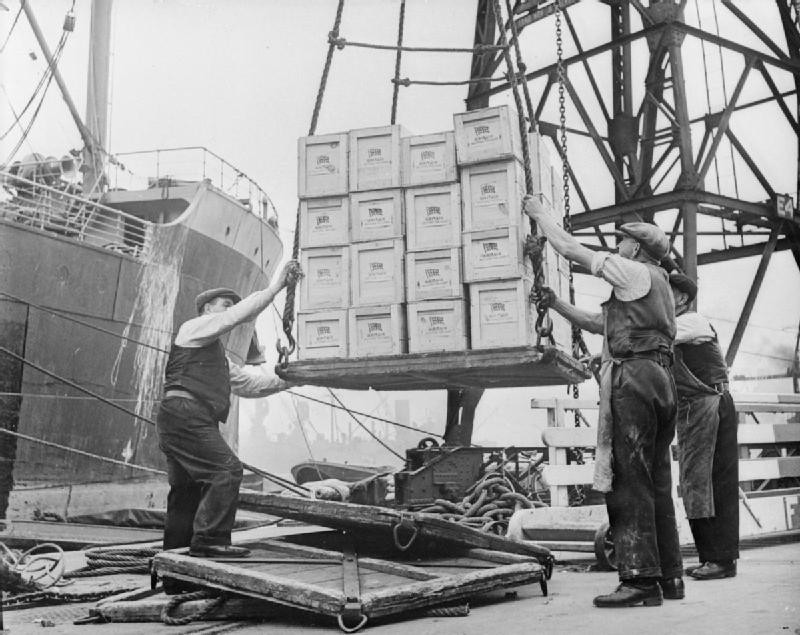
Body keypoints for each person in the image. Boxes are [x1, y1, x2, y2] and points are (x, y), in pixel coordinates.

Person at [523, 194, 683, 608]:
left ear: (637, 249)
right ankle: (669, 576)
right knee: (657, 481)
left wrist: (540, 216)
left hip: (635, 378)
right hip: (661, 379)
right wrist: (556, 303)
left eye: (623, 242)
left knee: (628, 481)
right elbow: (600, 324)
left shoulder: (631, 271)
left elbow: (572, 250)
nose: (618, 247)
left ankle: (640, 582)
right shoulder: (656, 285)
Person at [156, 259, 303, 561]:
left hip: (180, 418)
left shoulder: (216, 359)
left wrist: (295, 378)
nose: (229, 309)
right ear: (207, 309)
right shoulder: (192, 328)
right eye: (224, 304)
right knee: (227, 470)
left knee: (187, 489)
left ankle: (175, 560)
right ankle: (210, 541)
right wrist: (277, 286)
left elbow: (251, 385)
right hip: (187, 414)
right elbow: (237, 317)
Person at [669, 272, 739, 580]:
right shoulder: (677, 325)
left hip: (710, 405)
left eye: (665, 292)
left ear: (682, 298)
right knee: (695, 482)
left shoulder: (691, 322)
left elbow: (653, 338)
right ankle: (710, 556)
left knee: (713, 482)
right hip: (693, 410)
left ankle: (721, 560)